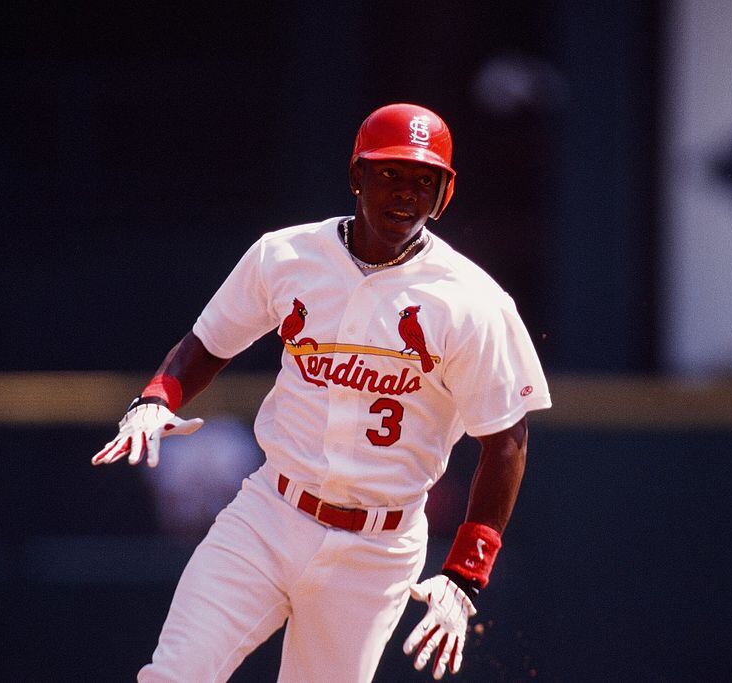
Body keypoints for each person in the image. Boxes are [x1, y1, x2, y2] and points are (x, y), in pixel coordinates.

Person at [92, 102, 551, 682]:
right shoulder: (286, 255)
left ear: (443, 195)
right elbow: (208, 343)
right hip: (269, 511)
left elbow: (506, 438)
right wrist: (155, 399)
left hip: (376, 550)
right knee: (173, 676)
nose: (405, 192)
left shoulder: (473, 302)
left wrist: (466, 571)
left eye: (423, 180)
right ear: (356, 175)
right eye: (390, 173)